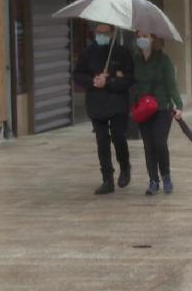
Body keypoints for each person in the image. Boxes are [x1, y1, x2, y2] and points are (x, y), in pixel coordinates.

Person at [73, 23, 134, 195]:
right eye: (98, 33)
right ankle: (107, 178)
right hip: (96, 103)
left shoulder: (122, 53)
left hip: (117, 104)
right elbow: (78, 74)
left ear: (112, 33)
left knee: (118, 136)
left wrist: (111, 81)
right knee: (102, 141)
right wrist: (93, 81)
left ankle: (125, 166)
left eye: (105, 33)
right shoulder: (88, 53)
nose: (101, 36)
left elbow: (129, 78)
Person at [133, 31, 183, 196]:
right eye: (139, 35)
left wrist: (178, 105)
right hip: (143, 109)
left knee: (159, 143)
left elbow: (172, 85)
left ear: (154, 38)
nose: (142, 39)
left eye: (145, 35)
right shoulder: (136, 60)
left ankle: (166, 176)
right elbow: (132, 82)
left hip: (162, 108)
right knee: (148, 145)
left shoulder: (164, 60)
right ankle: (153, 180)